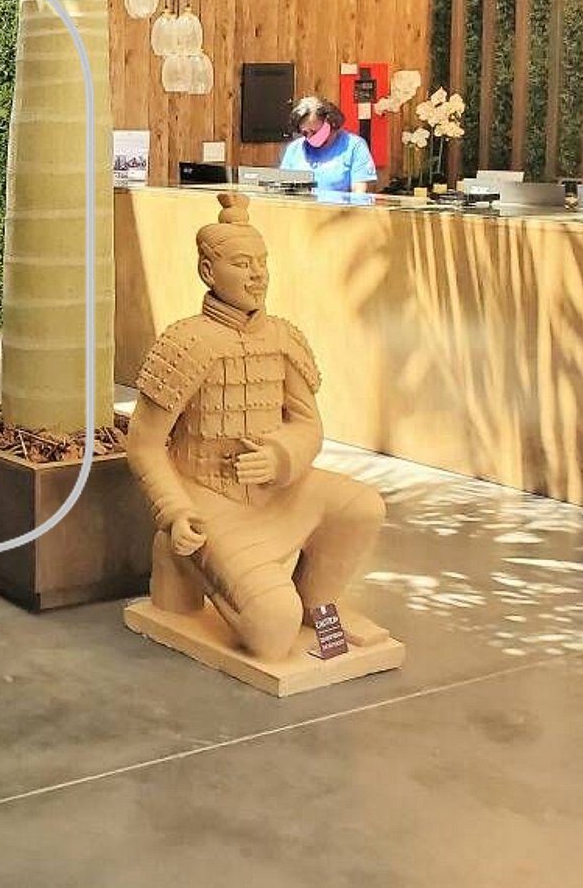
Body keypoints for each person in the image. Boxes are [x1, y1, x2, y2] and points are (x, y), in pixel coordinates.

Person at [126, 193, 390, 660]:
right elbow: (144, 444)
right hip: (210, 502)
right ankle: (185, 564)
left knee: (362, 506)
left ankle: (318, 602)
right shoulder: (185, 343)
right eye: (243, 264)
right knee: (272, 631)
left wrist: (281, 456)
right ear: (208, 271)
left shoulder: (283, 337)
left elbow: (308, 424)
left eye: (262, 263)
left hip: (279, 494)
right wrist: (175, 512)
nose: (258, 275)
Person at [279, 95, 376, 193]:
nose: (310, 137)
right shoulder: (294, 149)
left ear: (330, 123)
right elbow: (283, 189)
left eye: (314, 132)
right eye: (305, 133)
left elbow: (360, 193)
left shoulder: (354, 146)